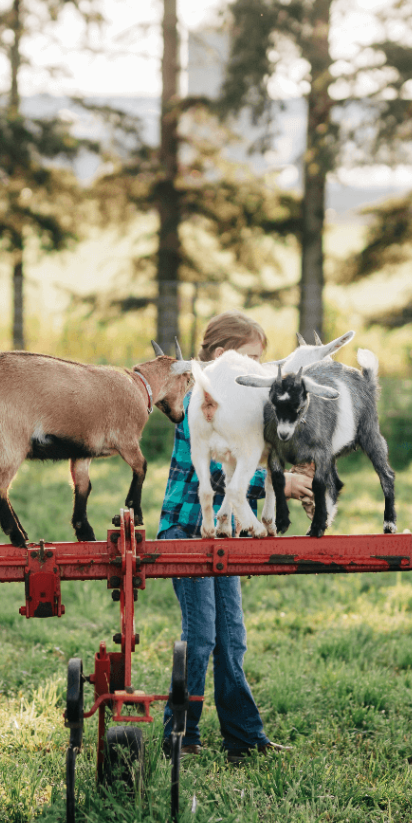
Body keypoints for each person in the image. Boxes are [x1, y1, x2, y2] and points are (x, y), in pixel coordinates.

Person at [159, 311, 313, 764]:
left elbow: (253, 452)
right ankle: (180, 733)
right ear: (224, 356)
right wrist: (277, 482)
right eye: (251, 358)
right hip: (186, 533)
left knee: (232, 636)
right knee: (202, 635)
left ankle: (244, 737)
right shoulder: (202, 400)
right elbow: (224, 463)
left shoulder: (242, 404)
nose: (259, 369)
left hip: (222, 535)